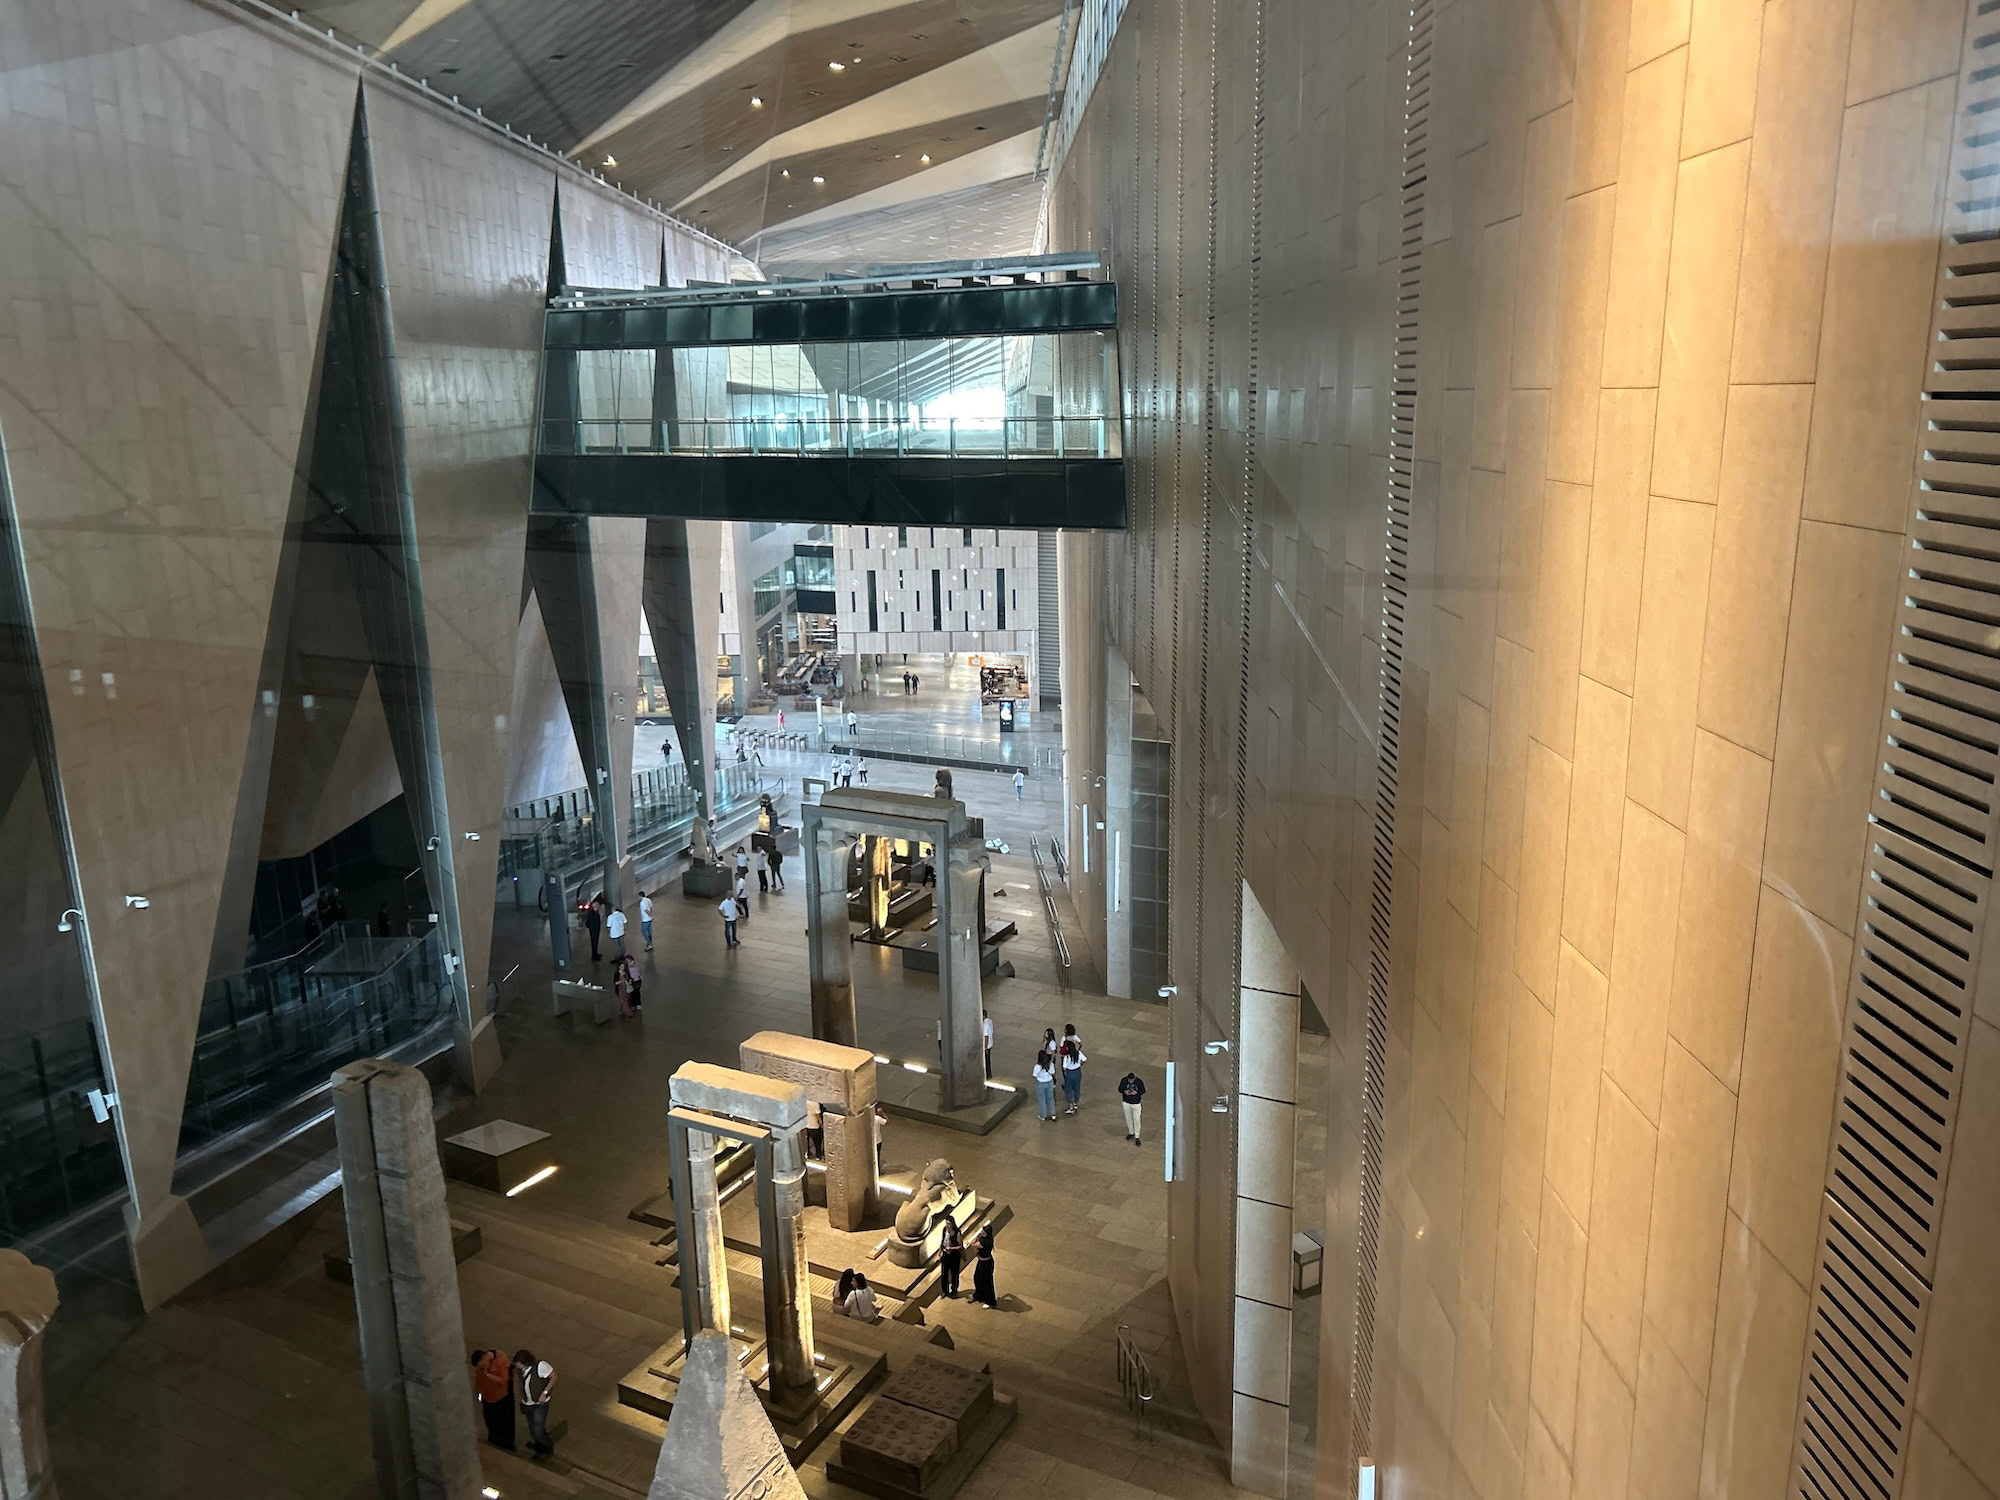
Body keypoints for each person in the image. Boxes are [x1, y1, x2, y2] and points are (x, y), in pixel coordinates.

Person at [513, 1349, 557, 1458]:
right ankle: (540, 1446)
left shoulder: (540, 1366)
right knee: (533, 1429)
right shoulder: (520, 1370)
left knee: (537, 1430)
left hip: (539, 1405)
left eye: (519, 1364)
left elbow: (554, 1376)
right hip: (528, 1403)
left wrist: (544, 1393)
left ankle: (548, 1446)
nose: (517, 1367)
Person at [470, 1347, 515, 1451]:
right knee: (490, 1422)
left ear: (484, 1357)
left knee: (505, 1423)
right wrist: (479, 1394)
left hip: (502, 1398)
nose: (482, 1367)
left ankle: (507, 1445)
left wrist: (488, 1374)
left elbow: (503, 1380)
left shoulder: (500, 1359)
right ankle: (494, 1440)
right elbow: (478, 1380)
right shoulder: (481, 1366)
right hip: (487, 1399)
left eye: (482, 1364)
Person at [1060, 1026, 1087, 1115]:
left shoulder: (1067, 1057)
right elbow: (1085, 1060)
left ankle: (1071, 1106)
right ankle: (1076, 1103)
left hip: (1070, 1073)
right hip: (1078, 1072)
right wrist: (1080, 1065)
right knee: (1077, 1088)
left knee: (1068, 1089)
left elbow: (1064, 1068)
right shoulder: (1078, 1053)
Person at [970, 1226, 996, 1307]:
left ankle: (990, 1301)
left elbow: (973, 1244)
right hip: (981, 1261)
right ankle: (979, 1295)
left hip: (986, 1263)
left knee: (987, 1282)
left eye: (983, 1232)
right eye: (982, 1231)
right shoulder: (983, 1238)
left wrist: (977, 1237)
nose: (981, 1233)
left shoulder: (985, 1241)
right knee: (977, 1277)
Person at [938, 1217, 964, 1298]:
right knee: (944, 1274)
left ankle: (954, 1290)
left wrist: (951, 1248)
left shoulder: (957, 1233)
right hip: (946, 1255)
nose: (947, 1225)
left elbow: (960, 1246)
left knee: (954, 1274)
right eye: (946, 1223)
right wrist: (939, 1253)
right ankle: (945, 1291)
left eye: (949, 1224)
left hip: (954, 1256)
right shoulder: (944, 1230)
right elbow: (942, 1242)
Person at [1119, 1070, 1146, 1145]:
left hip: (1136, 1104)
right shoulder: (1124, 1081)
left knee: (1136, 1119)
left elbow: (1143, 1090)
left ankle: (1137, 1136)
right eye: (1129, 1080)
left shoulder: (1139, 1082)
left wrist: (1137, 1093)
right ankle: (1131, 1132)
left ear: (1134, 1078)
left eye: (1132, 1080)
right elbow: (1120, 1089)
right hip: (1126, 1103)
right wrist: (1124, 1091)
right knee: (1128, 1118)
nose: (1130, 1081)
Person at [1033, 1050, 1057, 1121]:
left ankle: (1043, 1115)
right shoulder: (1050, 1064)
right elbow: (1053, 1073)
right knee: (1051, 1098)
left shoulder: (1037, 1066)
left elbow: (1034, 1075)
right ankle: (1053, 1114)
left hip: (1041, 1083)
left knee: (1042, 1099)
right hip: (1049, 1082)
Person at [982, 1011, 993, 1078]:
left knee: (986, 1061)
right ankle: (989, 1074)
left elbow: (986, 1037)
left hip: (987, 1045)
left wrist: (985, 1048)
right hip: (990, 1043)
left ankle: (988, 1075)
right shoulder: (989, 1021)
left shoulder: (985, 1025)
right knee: (988, 1060)